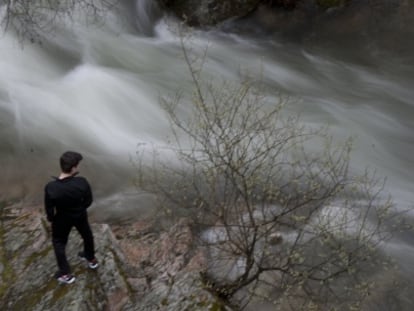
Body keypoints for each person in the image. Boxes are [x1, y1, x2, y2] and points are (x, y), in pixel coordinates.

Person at [44, 151, 98, 284]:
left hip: (62, 218)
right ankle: (91, 259)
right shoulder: (82, 182)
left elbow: (49, 208)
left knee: (59, 242)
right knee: (87, 235)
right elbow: (89, 200)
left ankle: (65, 274)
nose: (78, 168)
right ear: (73, 168)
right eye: (77, 165)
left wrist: (52, 219)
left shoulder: (51, 188)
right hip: (79, 214)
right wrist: (80, 209)